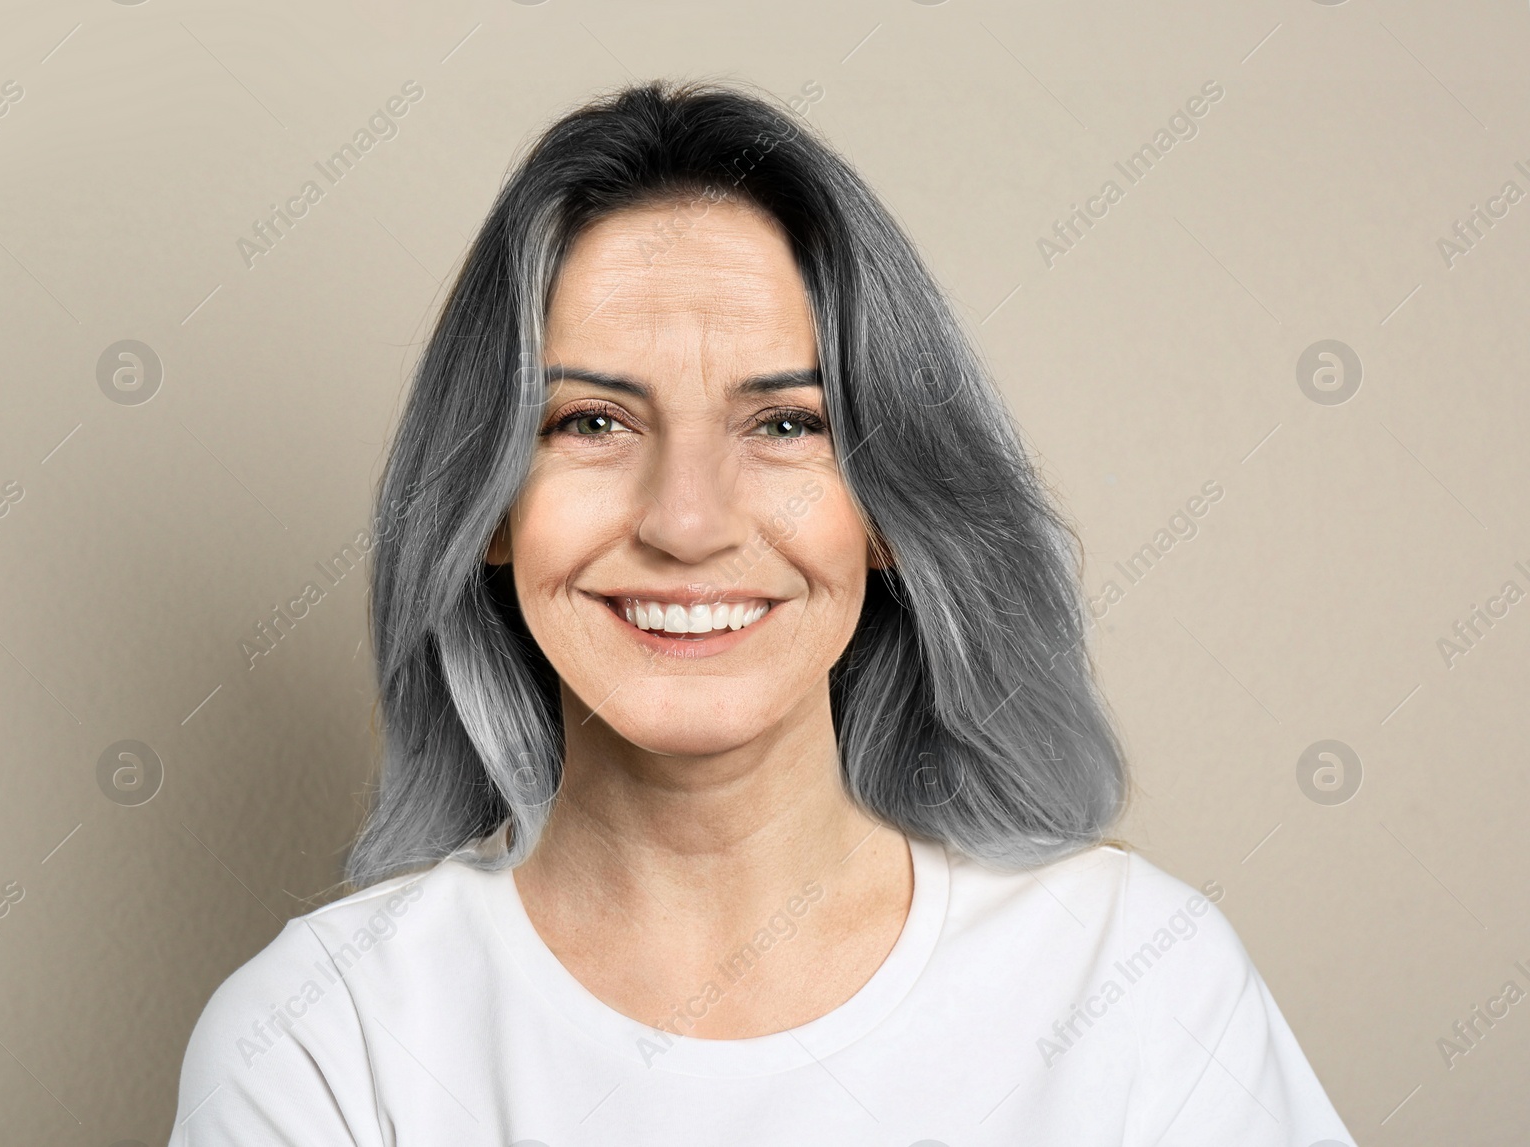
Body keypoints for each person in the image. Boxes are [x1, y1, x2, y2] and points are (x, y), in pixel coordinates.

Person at [169, 79, 1357, 1146]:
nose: (687, 522)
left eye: (785, 423)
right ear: (486, 505)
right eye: (590, 421)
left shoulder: (1135, 977)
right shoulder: (324, 1042)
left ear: (890, 506)